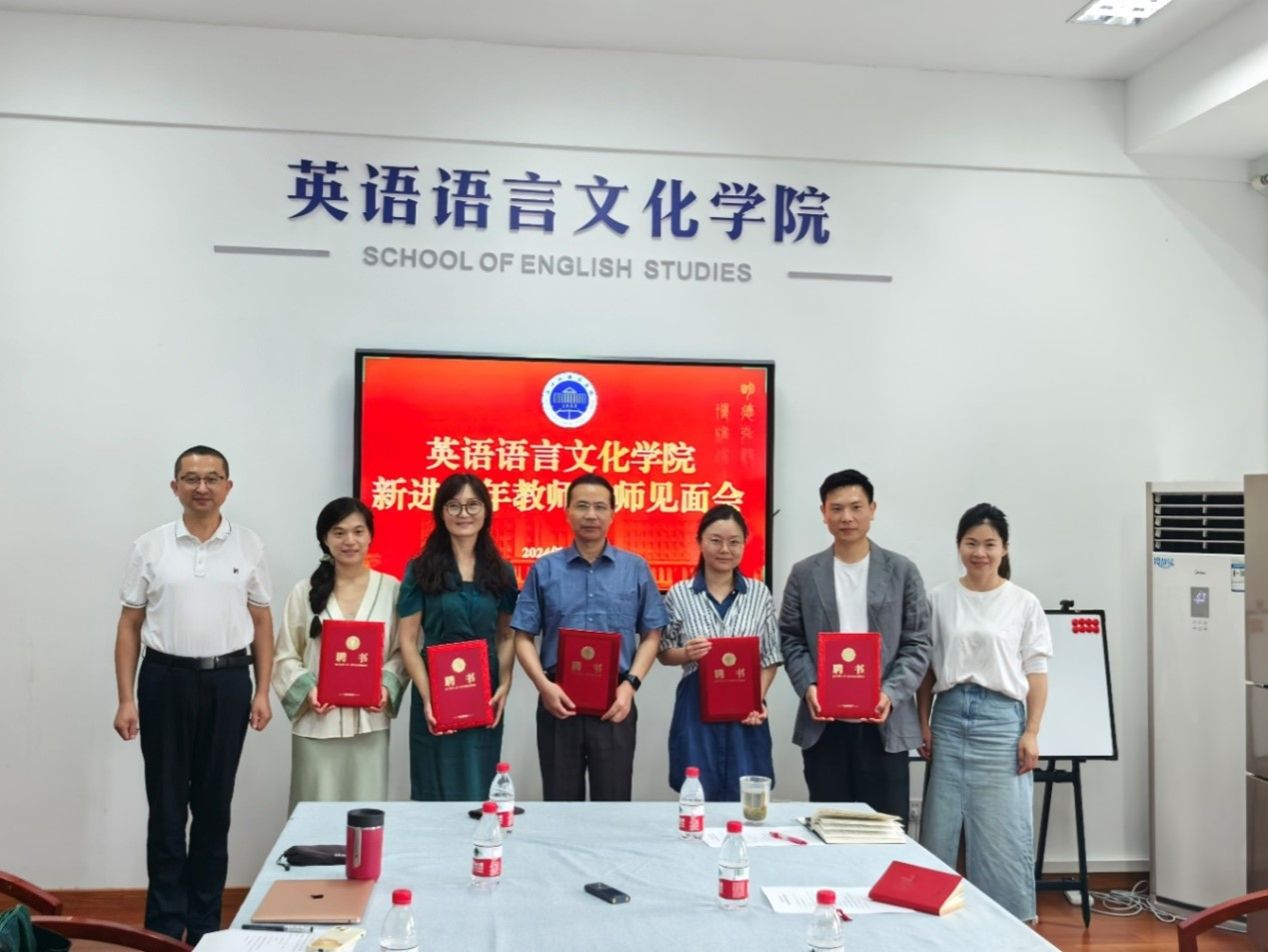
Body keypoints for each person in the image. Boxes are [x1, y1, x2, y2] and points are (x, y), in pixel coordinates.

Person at [113, 445, 273, 946]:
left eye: (212, 478)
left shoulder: (249, 545)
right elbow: (130, 624)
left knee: (213, 808)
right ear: (175, 486)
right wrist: (125, 698)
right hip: (164, 681)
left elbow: (262, 621)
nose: (202, 487)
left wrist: (263, 691)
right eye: (191, 478)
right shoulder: (150, 546)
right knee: (165, 809)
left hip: (229, 682)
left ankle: (205, 927)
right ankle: (163, 928)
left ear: (228, 486)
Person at [917, 503, 1052, 923]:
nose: (980, 553)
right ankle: (933, 927)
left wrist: (1031, 732)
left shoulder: (1023, 602)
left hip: (1000, 723)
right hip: (949, 716)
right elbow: (927, 671)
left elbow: (1036, 672)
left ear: (1004, 548)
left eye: (990, 544)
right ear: (958, 545)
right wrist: (923, 722)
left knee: (1003, 833)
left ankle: (1008, 929)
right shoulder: (938, 598)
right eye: (971, 543)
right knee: (938, 831)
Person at [778, 468, 930, 821]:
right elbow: (790, 637)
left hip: (884, 722)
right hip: (825, 723)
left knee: (886, 829)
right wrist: (809, 686)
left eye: (856, 507)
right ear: (824, 513)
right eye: (836, 508)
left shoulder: (902, 570)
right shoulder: (804, 573)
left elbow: (918, 642)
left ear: (872, 509)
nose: (846, 517)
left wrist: (890, 693)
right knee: (829, 825)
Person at [512, 473, 667, 801]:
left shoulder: (635, 568)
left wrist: (630, 687)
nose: (591, 515)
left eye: (599, 507)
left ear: (613, 514)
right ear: (567, 512)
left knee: (612, 805)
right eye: (582, 506)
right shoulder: (545, 569)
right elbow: (522, 636)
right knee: (559, 803)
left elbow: (652, 634)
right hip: (558, 700)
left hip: (615, 701)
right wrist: (544, 687)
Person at [272, 498, 405, 813]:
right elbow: (285, 656)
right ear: (325, 538)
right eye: (339, 532)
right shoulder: (304, 592)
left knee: (365, 817)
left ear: (370, 536)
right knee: (314, 816)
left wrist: (385, 687)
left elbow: (402, 651)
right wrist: (309, 690)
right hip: (317, 725)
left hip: (369, 728)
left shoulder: (391, 589)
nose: (349, 541)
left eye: (358, 531)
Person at [397, 474, 518, 801]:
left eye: (472, 505)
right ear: (441, 512)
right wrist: (428, 696)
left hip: (484, 690)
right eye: (454, 505)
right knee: (434, 783)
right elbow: (408, 640)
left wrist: (505, 682)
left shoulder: (502, 572)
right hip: (435, 688)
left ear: (486, 511)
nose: (464, 514)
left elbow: (506, 635)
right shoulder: (420, 569)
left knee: (479, 779)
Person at [659, 504, 782, 802]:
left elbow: (770, 656)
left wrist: (757, 699)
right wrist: (686, 653)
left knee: (746, 789)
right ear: (700, 541)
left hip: (746, 705)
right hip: (695, 702)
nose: (725, 549)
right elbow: (663, 652)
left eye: (734, 541)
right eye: (715, 540)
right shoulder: (679, 594)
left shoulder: (759, 593)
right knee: (698, 789)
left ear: (744, 544)